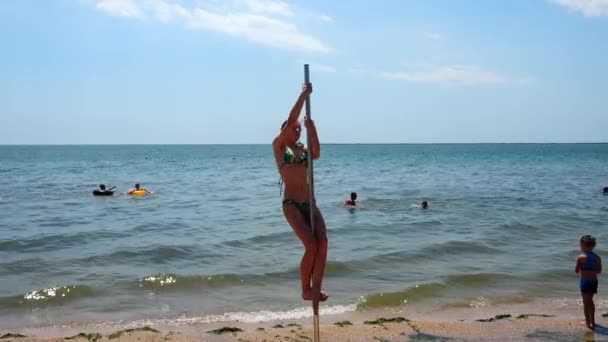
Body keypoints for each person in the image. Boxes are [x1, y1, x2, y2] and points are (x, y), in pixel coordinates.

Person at [273, 82, 328, 302]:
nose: (296, 131)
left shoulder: (302, 150)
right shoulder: (280, 147)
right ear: (284, 130)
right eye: (293, 128)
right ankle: (305, 289)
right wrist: (304, 95)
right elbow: (292, 115)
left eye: (299, 129)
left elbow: (316, 152)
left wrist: (311, 128)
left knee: (323, 243)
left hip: (310, 203)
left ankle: (316, 288)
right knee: (311, 245)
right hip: (292, 205)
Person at [575, 234, 602, 329]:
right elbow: (599, 271)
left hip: (585, 281)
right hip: (594, 281)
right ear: (593, 246)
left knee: (586, 303)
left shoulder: (580, 257)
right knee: (590, 301)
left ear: (582, 245)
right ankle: (593, 322)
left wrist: (578, 263)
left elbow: (576, 271)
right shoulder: (597, 257)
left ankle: (587, 322)